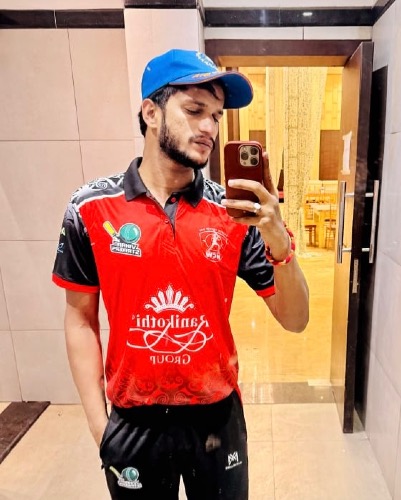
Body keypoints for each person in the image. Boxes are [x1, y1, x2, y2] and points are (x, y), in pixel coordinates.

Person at [52, 48, 309, 500]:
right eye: (194, 110)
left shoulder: (233, 214)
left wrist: (279, 242)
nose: (209, 127)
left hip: (216, 417)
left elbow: (296, 318)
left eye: (216, 115)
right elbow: (80, 319)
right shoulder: (91, 208)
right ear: (150, 113)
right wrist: (99, 426)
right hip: (133, 420)